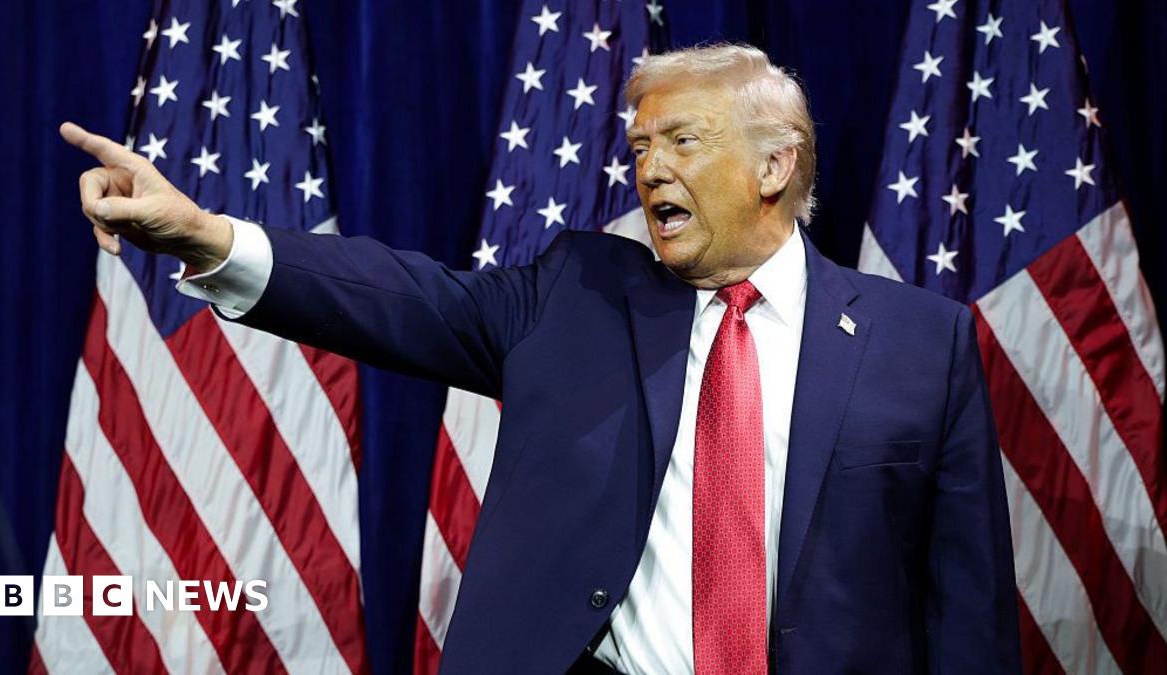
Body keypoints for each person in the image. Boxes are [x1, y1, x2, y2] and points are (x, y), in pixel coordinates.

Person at [62, 44, 1020, 674]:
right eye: (641, 147)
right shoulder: (579, 295)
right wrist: (201, 235)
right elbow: (398, 296)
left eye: (683, 141)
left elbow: (969, 611)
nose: (651, 170)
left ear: (775, 166)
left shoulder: (922, 343)